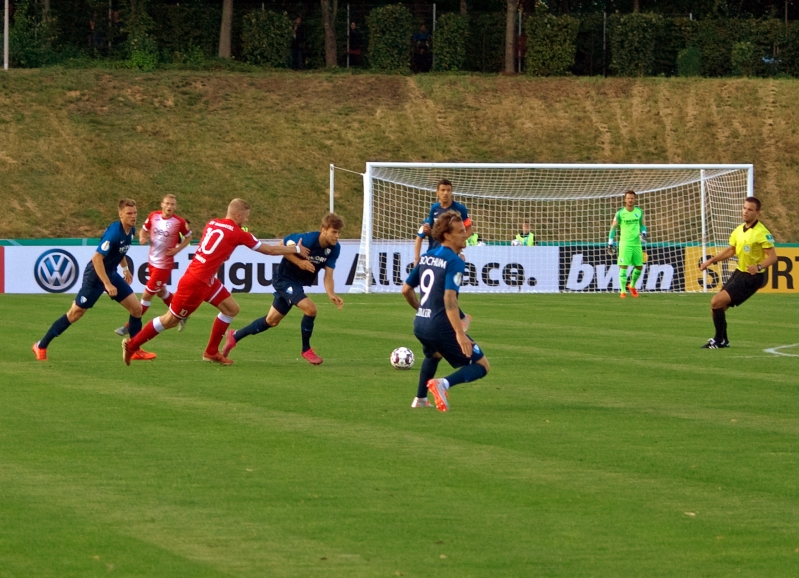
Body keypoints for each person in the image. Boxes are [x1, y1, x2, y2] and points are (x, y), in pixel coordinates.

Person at [122, 199, 312, 366]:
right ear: (237, 215)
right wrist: (295, 248)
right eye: (245, 217)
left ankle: (211, 352)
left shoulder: (212, 223)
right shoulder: (238, 233)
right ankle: (132, 345)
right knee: (170, 320)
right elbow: (269, 251)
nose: (247, 220)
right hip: (196, 282)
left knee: (231, 309)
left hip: (206, 279)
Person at [32, 199, 155, 362]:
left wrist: (125, 269)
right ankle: (41, 345)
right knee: (75, 314)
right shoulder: (114, 234)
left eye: (135, 213)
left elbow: (120, 252)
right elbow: (97, 259)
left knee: (136, 309)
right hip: (95, 276)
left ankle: (135, 349)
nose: (133, 216)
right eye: (129, 213)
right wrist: (107, 284)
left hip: (110, 273)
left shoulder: (130, 230)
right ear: (120, 215)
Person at [222, 213, 345, 366]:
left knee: (271, 321)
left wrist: (331, 294)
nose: (337, 236)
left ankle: (234, 336)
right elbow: (280, 245)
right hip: (283, 279)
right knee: (311, 309)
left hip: (296, 283)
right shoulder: (307, 239)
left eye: (339, 233)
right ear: (323, 230)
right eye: (334, 232)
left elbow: (328, 276)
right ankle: (306, 349)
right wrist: (299, 262)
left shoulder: (334, 249)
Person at [402, 211, 489, 412]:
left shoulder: (427, 257)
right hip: (440, 326)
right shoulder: (455, 261)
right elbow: (449, 299)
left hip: (420, 324)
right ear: (448, 235)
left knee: (435, 354)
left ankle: (420, 399)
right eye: (460, 231)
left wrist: (422, 309)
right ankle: (442, 384)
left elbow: (406, 289)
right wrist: (460, 334)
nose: (465, 234)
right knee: (482, 365)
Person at [698, 197, 777, 349]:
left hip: (753, 277)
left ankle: (719, 340)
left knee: (716, 302)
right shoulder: (738, 230)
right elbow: (731, 251)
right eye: (744, 208)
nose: (745, 212)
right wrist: (710, 261)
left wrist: (758, 267)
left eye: (750, 209)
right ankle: (723, 340)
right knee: (716, 308)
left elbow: (773, 257)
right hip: (740, 272)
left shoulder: (761, 233)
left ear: (758, 213)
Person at [115, 194, 192, 336]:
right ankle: (182, 313)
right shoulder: (153, 216)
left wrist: (177, 249)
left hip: (164, 265)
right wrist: (142, 236)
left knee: (146, 295)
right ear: (162, 204)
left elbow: (189, 237)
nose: (170, 206)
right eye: (167, 203)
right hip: (152, 262)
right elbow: (144, 229)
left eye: (173, 204)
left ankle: (128, 326)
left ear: (175, 207)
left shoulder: (179, 222)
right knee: (161, 291)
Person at [414, 179, 472, 266]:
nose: (445, 193)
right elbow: (426, 232)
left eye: (448, 190)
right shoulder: (434, 209)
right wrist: (416, 260)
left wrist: (459, 244)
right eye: (443, 190)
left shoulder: (460, 209)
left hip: (451, 255)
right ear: (437, 192)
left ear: (452, 192)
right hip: (434, 255)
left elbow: (469, 229)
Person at [607, 190, 647, 298]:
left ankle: (632, 286)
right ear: (625, 200)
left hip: (637, 244)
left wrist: (644, 233)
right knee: (623, 267)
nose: (630, 200)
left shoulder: (639, 212)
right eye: (628, 198)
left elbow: (642, 225)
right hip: (625, 243)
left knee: (639, 267)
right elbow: (613, 228)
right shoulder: (620, 213)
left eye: (632, 198)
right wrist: (610, 243)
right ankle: (623, 291)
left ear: (635, 199)